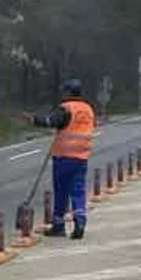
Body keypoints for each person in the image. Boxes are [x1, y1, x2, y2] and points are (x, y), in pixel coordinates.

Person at [40, 79, 96, 239]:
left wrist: (34, 119)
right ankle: (80, 221)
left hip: (64, 157)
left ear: (68, 92)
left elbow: (51, 121)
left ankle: (58, 226)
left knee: (61, 191)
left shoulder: (66, 108)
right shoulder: (88, 109)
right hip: (81, 157)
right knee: (78, 191)